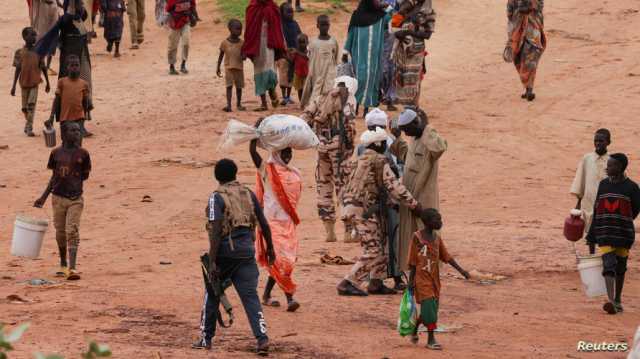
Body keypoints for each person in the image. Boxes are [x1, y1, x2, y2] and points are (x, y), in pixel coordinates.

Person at [193, 159, 275, 355]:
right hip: (247, 252)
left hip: (225, 254)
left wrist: (212, 262)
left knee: (212, 293)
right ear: (235, 173)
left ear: (216, 176)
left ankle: (206, 338)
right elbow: (263, 223)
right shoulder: (248, 193)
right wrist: (270, 248)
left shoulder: (216, 197)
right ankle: (262, 339)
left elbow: (215, 230)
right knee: (250, 298)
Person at [338, 127, 420, 296]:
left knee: (380, 244)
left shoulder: (356, 161)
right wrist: (415, 205)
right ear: (378, 144)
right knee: (373, 249)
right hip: (364, 210)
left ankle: (376, 282)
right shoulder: (379, 161)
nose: (385, 146)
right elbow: (394, 186)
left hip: (353, 207)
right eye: (384, 143)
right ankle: (348, 282)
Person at [250, 127, 303, 312]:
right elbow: (253, 153)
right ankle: (290, 298)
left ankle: (266, 295)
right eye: (285, 152)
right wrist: (255, 134)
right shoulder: (268, 170)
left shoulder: (294, 174)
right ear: (277, 153)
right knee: (281, 261)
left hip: (287, 223)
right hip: (271, 223)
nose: (288, 155)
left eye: (290, 152)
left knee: (284, 262)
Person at [353, 108, 408, 289]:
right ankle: (382, 278)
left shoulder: (371, 144)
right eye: (373, 127)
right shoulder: (379, 144)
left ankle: (387, 278)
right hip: (380, 201)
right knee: (384, 239)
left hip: (380, 200)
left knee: (384, 239)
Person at [301, 76, 357, 242]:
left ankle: (329, 232)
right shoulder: (348, 101)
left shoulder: (320, 98)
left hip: (321, 147)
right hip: (340, 152)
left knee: (323, 187)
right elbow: (350, 130)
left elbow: (305, 118)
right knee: (344, 189)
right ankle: (348, 232)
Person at [34, 121, 91, 281]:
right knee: (60, 232)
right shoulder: (55, 153)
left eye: (78, 131)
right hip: (57, 198)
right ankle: (63, 264)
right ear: (64, 134)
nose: (77, 133)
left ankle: (72, 268)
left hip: (75, 199)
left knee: (72, 230)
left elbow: (84, 176)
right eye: (73, 131)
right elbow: (54, 177)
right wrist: (43, 197)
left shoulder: (83, 154)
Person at [408, 208, 470, 350]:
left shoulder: (437, 239)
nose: (440, 222)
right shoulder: (416, 237)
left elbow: (446, 257)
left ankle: (414, 329)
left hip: (434, 280)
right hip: (421, 279)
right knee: (429, 309)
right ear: (428, 222)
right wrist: (410, 282)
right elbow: (412, 261)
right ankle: (431, 340)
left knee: (429, 311)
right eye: (437, 220)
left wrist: (462, 271)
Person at [586, 153, 640, 315]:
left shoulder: (632, 187)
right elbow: (597, 210)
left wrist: (622, 220)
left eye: (610, 165)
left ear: (620, 167)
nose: (607, 168)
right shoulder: (603, 185)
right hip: (605, 232)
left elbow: (635, 210)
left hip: (624, 234)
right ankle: (611, 301)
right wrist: (592, 235)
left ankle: (618, 299)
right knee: (608, 265)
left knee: (620, 268)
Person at [396, 108, 447, 272]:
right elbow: (408, 159)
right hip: (411, 198)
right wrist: (396, 139)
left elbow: (439, 147)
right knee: (412, 236)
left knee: (426, 233)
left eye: (407, 129)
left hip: (424, 197)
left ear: (416, 123)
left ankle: (430, 267)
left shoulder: (428, 135)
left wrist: (426, 127)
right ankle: (415, 268)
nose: (406, 133)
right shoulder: (415, 139)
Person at [36, 0, 95, 126]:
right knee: (70, 93)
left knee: (84, 91)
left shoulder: (80, 18)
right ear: (72, 6)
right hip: (70, 64)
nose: (82, 6)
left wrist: (79, 7)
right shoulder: (66, 20)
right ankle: (70, 123)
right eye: (80, 4)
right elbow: (50, 37)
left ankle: (81, 124)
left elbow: (83, 13)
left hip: (83, 60)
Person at [344, 0, 389, 116]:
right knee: (359, 79)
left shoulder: (382, 16)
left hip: (374, 57)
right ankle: (356, 107)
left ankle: (366, 110)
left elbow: (392, 21)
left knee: (372, 80)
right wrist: (345, 51)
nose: (378, 2)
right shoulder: (357, 16)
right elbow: (351, 34)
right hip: (359, 55)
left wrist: (387, 7)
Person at [242, 0, 287, 111]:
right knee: (259, 72)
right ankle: (263, 103)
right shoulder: (252, 8)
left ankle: (271, 90)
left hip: (269, 45)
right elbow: (249, 29)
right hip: (256, 45)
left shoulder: (273, 8)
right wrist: (247, 46)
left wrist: (280, 44)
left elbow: (278, 29)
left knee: (270, 71)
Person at [570, 129, 610, 250]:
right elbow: (581, 181)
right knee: (590, 235)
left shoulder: (612, 160)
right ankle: (592, 255)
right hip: (589, 200)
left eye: (601, 141)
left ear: (608, 142)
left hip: (607, 203)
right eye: (595, 141)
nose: (598, 143)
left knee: (605, 232)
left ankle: (604, 257)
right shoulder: (587, 158)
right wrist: (578, 204)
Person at [392, 1, 435, 107]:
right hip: (402, 51)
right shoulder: (405, 7)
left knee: (414, 79)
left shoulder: (427, 11)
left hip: (417, 51)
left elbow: (427, 34)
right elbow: (394, 25)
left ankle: (414, 107)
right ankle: (408, 109)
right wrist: (399, 33)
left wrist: (410, 32)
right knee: (403, 78)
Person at [11, 27, 51, 137]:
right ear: (24, 37)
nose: (34, 37)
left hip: (35, 82)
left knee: (31, 105)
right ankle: (27, 123)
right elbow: (18, 69)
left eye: (35, 35)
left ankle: (29, 127)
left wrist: (47, 82)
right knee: (24, 108)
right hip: (23, 83)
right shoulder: (19, 52)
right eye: (32, 35)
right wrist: (13, 85)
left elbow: (43, 68)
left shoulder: (39, 51)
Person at [506, 0, 546, 101]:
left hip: (532, 28)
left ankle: (529, 89)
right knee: (519, 58)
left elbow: (539, 6)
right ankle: (528, 86)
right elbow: (509, 11)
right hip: (519, 29)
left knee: (530, 58)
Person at [45, 55, 91, 138]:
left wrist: (84, 115)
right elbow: (57, 100)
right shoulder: (62, 82)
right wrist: (52, 117)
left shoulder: (84, 84)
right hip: (65, 118)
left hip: (79, 118)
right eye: (72, 65)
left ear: (80, 67)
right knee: (66, 142)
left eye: (77, 65)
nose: (74, 68)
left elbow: (85, 101)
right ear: (67, 67)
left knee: (78, 142)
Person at [300, 15, 338, 109]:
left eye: (327, 25)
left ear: (329, 25)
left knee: (327, 90)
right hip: (316, 70)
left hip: (329, 72)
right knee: (315, 90)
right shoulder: (313, 42)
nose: (325, 27)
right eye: (322, 25)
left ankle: (325, 108)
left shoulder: (333, 42)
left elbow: (336, 57)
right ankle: (313, 108)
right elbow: (309, 57)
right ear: (317, 26)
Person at [217, 19, 246, 112]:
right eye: (237, 29)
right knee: (229, 86)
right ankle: (229, 105)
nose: (239, 31)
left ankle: (238, 104)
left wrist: (244, 56)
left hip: (239, 68)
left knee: (239, 87)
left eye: (240, 29)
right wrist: (218, 67)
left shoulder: (242, 43)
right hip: (228, 68)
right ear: (230, 29)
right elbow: (221, 56)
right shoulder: (224, 43)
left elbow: (244, 56)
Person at [277, 2, 300, 106]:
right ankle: (284, 96)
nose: (291, 14)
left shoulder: (295, 24)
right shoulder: (279, 25)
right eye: (288, 12)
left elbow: (300, 35)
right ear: (281, 13)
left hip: (294, 54)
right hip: (283, 54)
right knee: (283, 76)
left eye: (292, 12)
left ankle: (288, 96)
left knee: (291, 75)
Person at [166, 0, 196, 75]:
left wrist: (193, 15)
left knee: (186, 43)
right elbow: (168, 9)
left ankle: (183, 64)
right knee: (172, 46)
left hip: (185, 21)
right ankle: (172, 66)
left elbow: (193, 5)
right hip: (174, 23)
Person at [30, 0, 60, 72]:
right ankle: (39, 63)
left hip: (53, 6)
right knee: (41, 35)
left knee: (53, 34)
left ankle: (47, 66)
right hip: (42, 7)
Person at [291, 34, 309, 103]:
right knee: (300, 89)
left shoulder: (307, 51)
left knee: (306, 89)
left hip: (306, 74)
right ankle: (301, 102)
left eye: (303, 42)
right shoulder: (296, 52)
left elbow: (307, 57)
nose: (301, 44)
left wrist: (297, 52)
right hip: (298, 74)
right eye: (299, 42)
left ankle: (305, 102)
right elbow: (292, 61)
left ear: (307, 42)